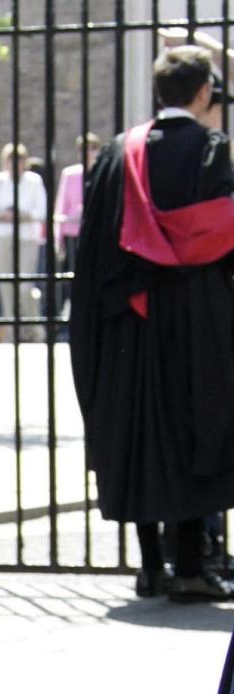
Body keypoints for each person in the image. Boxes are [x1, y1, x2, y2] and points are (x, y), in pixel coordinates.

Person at [70, 45, 234, 602]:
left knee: (140, 435)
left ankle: (148, 567)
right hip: (199, 326)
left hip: (130, 327)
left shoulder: (119, 155)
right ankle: (190, 566)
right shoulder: (213, 151)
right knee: (198, 432)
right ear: (204, 93)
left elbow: (92, 253)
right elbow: (222, 236)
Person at [0, 142, 47, 342]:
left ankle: (32, 326)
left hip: (27, 237)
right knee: (4, 281)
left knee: (25, 283)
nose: (15, 164)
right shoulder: (0, 181)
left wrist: (21, 215)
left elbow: (41, 212)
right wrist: (3, 215)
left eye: (19, 159)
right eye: (10, 160)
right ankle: (11, 326)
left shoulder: (34, 181)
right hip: (4, 236)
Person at [53, 133, 101, 330]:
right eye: (84, 149)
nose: (88, 153)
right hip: (73, 231)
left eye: (91, 148)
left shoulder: (101, 171)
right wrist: (59, 237)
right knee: (72, 276)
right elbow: (61, 204)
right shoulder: (70, 174)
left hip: (95, 231)